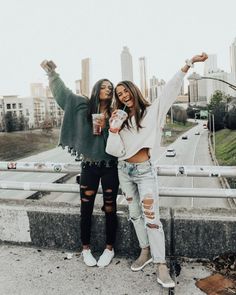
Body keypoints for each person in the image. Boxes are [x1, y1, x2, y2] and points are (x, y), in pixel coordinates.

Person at [106, 53, 208, 288]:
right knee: (134, 214)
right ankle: (145, 251)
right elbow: (114, 151)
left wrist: (188, 63)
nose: (123, 96)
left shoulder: (152, 111)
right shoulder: (119, 118)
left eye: (125, 91)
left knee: (152, 218)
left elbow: (171, 89)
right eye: (119, 94)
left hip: (144, 171)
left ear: (133, 90)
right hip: (124, 170)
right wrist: (113, 129)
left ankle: (161, 266)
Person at [41, 60, 119, 268]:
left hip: (110, 166)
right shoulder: (82, 105)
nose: (107, 89)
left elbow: (116, 144)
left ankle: (109, 249)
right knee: (86, 208)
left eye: (110, 88)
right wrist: (52, 73)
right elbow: (63, 95)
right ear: (96, 90)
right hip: (89, 166)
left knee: (111, 208)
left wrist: (106, 128)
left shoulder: (115, 114)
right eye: (103, 86)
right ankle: (85, 249)